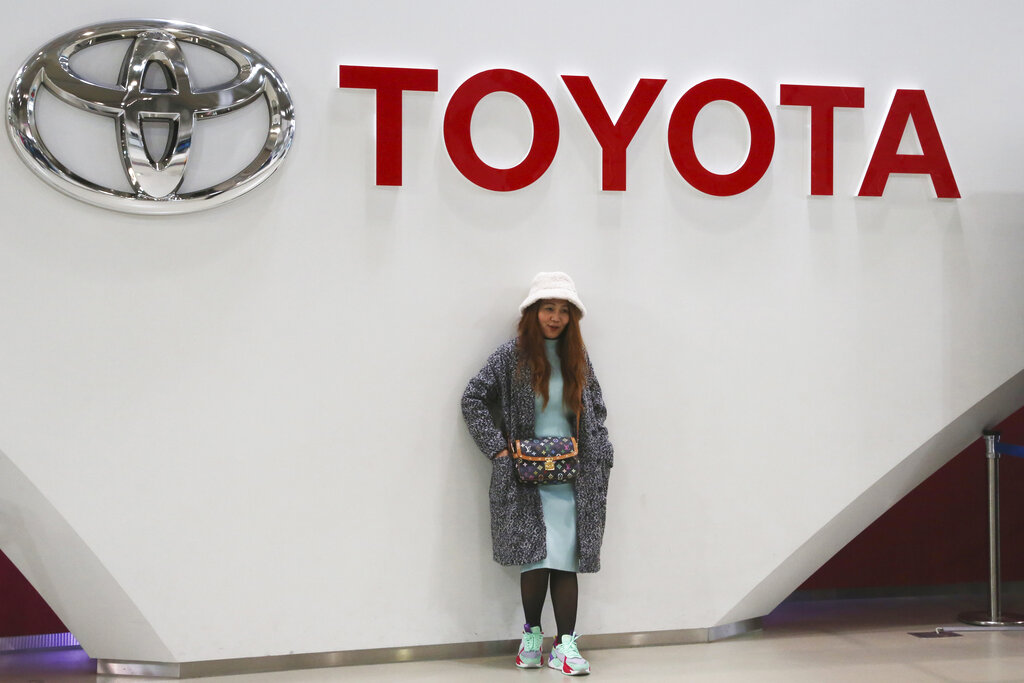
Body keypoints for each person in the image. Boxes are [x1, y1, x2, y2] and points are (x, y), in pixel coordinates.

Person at [462, 272, 614, 676]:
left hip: (573, 478)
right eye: (549, 308)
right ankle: (531, 638)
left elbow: (596, 408)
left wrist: (600, 450)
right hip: (524, 478)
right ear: (533, 311)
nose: (556, 317)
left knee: (565, 560)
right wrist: (498, 450)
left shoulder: (577, 356)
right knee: (536, 559)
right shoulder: (509, 357)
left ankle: (565, 646)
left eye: (564, 310)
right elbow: (473, 398)